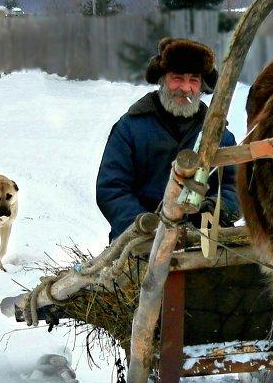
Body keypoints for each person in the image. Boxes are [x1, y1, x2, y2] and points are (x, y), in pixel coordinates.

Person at [97, 37, 240, 241]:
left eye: (193, 80)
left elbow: (234, 186)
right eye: (177, 78)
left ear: (201, 86)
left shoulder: (218, 134)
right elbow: (112, 188)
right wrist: (145, 225)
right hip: (140, 243)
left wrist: (214, 210)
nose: (185, 88)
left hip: (205, 243)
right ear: (163, 79)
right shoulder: (130, 128)